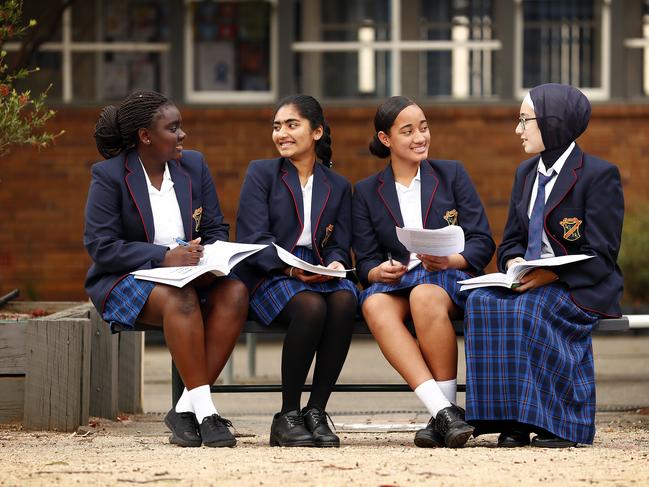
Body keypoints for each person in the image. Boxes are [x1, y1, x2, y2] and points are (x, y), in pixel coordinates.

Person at [463, 83, 624, 448]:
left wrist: (549, 274)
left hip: (579, 284)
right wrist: (514, 262)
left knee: (530, 310)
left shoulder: (599, 175)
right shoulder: (525, 174)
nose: (518, 130)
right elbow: (512, 239)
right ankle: (510, 420)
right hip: (531, 279)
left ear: (553, 123)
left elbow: (602, 252)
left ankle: (561, 424)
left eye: (525, 120)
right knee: (481, 303)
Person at [85, 90, 248, 448]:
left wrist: (208, 257)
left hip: (189, 274)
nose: (182, 135)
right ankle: (206, 412)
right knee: (183, 299)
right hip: (127, 279)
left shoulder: (193, 166)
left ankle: (184, 408)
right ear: (146, 136)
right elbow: (101, 246)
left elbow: (216, 229)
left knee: (235, 291)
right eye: (173, 128)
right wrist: (163, 257)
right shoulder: (110, 175)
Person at [352, 96, 495, 448]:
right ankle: (444, 412)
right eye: (408, 130)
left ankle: (440, 414)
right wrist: (377, 272)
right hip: (397, 281)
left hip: (446, 279)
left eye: (424, 127)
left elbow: (482, 241)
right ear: (386, 139)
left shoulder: (452, 174)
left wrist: (451, 261)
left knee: (424, 295)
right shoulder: (367, 191)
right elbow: (366, 259)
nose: (420, 137)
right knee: (372, 305)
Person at [234, 94, 358, 448]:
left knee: (346, 300)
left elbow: (338, 242)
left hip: (316, 269)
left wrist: (334, 263)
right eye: (277, 126)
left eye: (292, 125)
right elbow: (253, 239)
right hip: (270, 271)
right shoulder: (262, 173)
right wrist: (291, 269)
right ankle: (287, 414)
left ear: (316, 131)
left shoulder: (337, 185)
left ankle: (316, 411)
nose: (281, 134)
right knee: (310, 306)